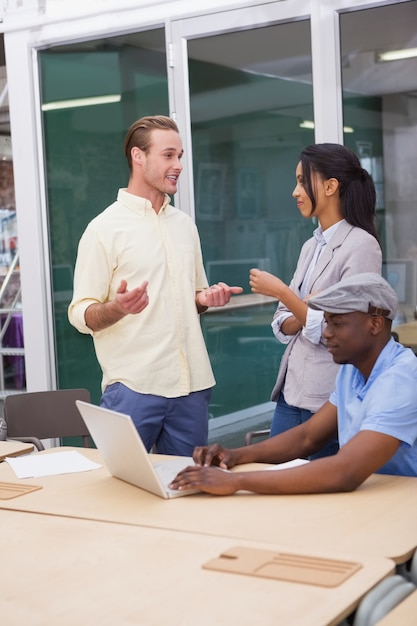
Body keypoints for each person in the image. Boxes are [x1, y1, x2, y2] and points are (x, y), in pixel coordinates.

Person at [68, 115, 242, 456]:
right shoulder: (104, 229)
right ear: (138, 157)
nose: (178, 165)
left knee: (189, 492)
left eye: (180, 156)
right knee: (123, 495)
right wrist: (118, 308)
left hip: (192, 386)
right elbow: (80, 313)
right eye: (168, 155)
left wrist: (205, 298)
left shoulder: (184, 225)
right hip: (134, 388)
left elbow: (191, 298)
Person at [169, 273, 417, 495]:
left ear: (375, 324)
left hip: (401, 506)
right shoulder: (352, 370)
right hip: (376, 496)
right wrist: (233, 455)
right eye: (327, 322)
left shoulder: (399, 379)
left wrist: (236, 481)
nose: (327, 332)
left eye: (337, 324)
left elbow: (346, 472)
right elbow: (308, 437)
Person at [249, 143, 382, 459]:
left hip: (327, 398)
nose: (295, 191)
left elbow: (345, 333)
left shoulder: (361, 246)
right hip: (291, 393)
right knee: (275, 489)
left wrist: (283, 292)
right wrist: (305, 307)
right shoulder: (312, 245)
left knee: (319, 500)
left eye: (301, 180)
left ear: (330, 186)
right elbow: (282, 322)